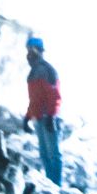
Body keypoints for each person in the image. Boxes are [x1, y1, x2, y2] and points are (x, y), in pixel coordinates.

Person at [24, 36, 64, 180]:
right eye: (28, 50)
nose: (29, 54)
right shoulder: (34, 71)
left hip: (48, 117)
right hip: (39, 118)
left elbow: (55, 95)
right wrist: (28, 116)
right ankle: (50, 183)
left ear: (39, 51)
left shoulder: (47, 70)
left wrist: (51, 116)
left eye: (32, 50)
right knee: (45, 154)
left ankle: (56, 186)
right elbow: (35, 98)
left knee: (53, 154)